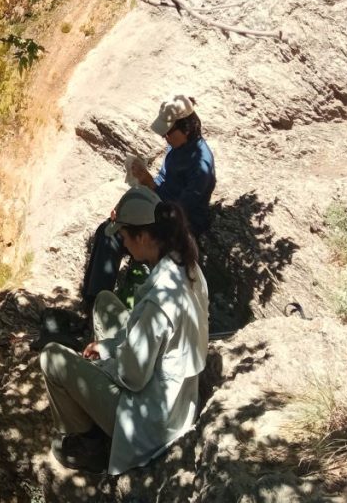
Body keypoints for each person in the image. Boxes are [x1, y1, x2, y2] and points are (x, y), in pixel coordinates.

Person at [40, 187, 209, 475]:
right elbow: (142, 334)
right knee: (105, 302)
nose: (123, 244)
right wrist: (108, 346)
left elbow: (133, 377)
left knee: (51, 358)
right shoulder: (186, 263)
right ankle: (94, 409)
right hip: (173, 393)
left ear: (142, 237)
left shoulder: (159, 301)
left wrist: (105, 364)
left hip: (151, 420)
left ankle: (91, 443)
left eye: (124, 237)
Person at [81, 94, 216, 307]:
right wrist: (125, 207)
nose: (165, 138)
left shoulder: (201, 164)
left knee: (115, 236)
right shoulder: (176, 149)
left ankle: (98, 304)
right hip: (159, 212)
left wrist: (150, 184)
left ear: (187, 129)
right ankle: (92, 300)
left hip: (179, 226)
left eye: (169, 132)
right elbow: (162, 182)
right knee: (106, 230)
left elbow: (180, 211)